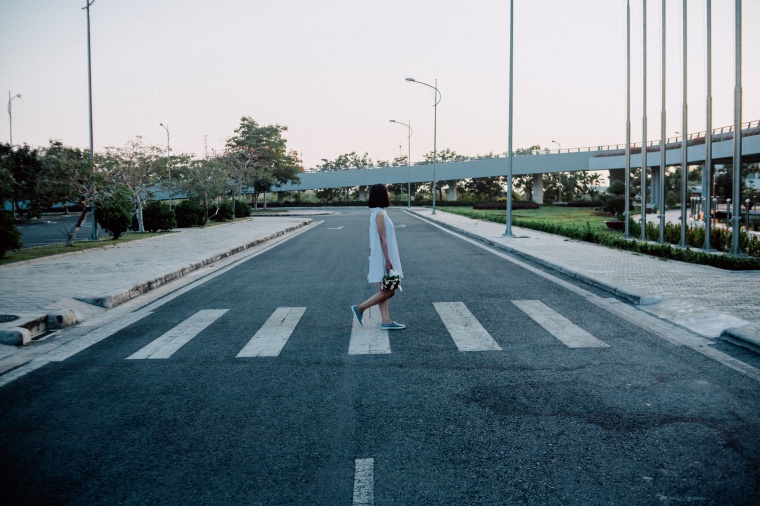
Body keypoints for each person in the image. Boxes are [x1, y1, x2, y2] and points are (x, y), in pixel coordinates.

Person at [351, 184, 405, 330]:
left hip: (381, 257)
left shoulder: (378, 212)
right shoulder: (379, 214)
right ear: (383, 195)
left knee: (383, 291)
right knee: (390, 291)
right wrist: (388, 261)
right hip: (383, 258)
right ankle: (360, 308)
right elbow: (383, 239)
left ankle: (386, 321)